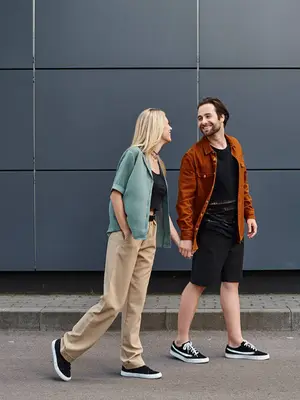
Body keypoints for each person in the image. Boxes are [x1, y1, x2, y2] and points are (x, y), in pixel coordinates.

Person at [51, 108, 181, 381]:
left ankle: (132, 360)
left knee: (136, 302)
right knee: (112, 301)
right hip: (129, 234)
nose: (171, 126)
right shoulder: (133, 155)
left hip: (149, 234)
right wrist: (126, 230)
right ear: (155, 126)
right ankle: (65, 348)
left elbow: (159, 208)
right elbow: (115, 193)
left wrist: (181, 240)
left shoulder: (158, 163)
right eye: (167, 122)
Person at [170, 97, 270, 363]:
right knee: (199, 283)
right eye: (199, 118)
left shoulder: (235, 145)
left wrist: (249, 214)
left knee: (231, 283)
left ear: (222, 117)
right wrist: (187, 236)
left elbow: (242, 184)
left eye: (207, 116)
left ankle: (235, 342)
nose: (203, 122)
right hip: (210, 227)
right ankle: (180, 342)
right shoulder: (193, 156)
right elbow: (185, 201)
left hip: (234, 225)